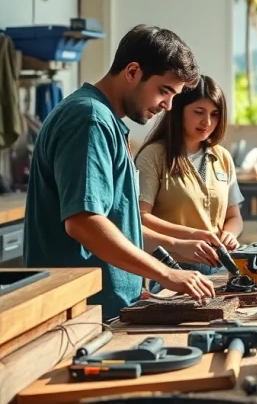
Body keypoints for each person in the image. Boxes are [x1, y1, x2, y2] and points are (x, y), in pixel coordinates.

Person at [22, 25, 216, 320]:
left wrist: (176, 245)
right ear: (133, 71)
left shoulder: (106, 121)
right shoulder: (89, 119)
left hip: (108, 309)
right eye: (164, 91)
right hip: (82, 313)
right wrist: (165, 273)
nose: (167, 106)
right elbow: (84, 223)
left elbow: (118, 225)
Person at [135, 75, 244, 277]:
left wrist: (230, 234)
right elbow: (140, 218)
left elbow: (234, 216)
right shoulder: (154, 155)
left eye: (215, 114)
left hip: (218, 269)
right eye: (199, 112)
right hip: (170, 270)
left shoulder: (223, 157)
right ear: (178, 110)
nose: (207, 122)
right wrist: (192, 236)